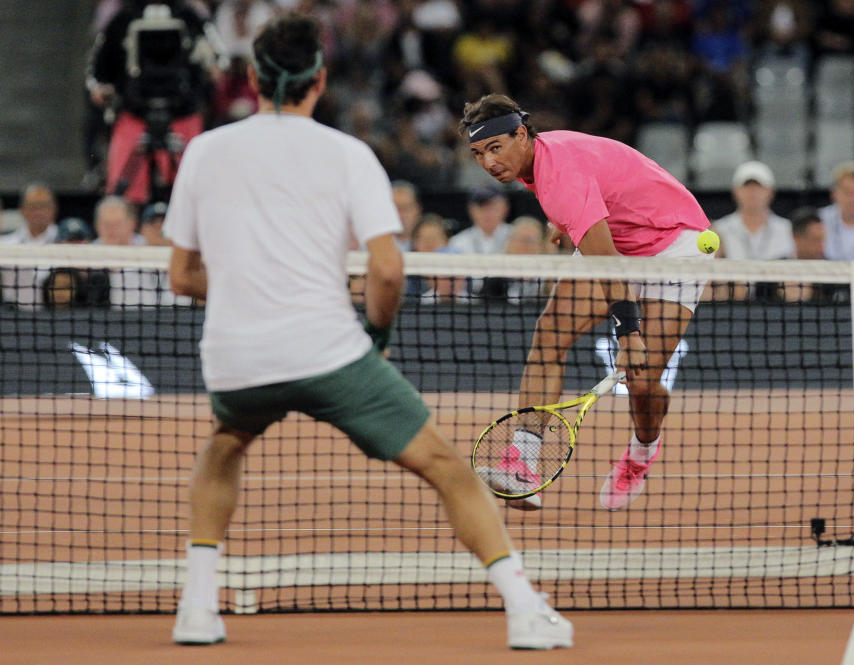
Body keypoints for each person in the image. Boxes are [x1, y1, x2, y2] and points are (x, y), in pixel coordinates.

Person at [163, 14, 571, 650]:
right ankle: (524, 610)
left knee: (224, 445)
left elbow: (183, 277)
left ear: (251, 76)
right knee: (449, 467)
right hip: (332, 353)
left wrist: (252, 288)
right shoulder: (349, 155)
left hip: (238, 356)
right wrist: (375, 341)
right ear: (319, 80)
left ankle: (195, 607)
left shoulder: (205, 151)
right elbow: (386, 271)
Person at [461, 93, 713, 512]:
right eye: (478, 153)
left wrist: (629, 333)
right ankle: (523, 463)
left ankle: (641, 453)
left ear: (521, 135)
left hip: (677, 243)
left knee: (644, 382)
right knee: (551, 332)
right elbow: (596, 191)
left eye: (495, 147)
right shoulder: (537, 161)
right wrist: (563, 219)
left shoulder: (559, 174)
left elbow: (606, 264)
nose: (488, 162)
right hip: (619, 237)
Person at [87, 0, 222, 204]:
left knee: (191, 193)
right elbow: (98, 68)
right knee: (123, 200)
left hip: (183, 115)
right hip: (134, 117)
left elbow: (218, 58)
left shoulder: (188, 15)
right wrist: (101, 88)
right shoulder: (124, 17)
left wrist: (211, 69)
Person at [711, 161, 793, 301]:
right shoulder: (719, 229)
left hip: (776, 300)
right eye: (747, 187)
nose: (752, 193)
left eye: (758, 187)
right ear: (736, 192)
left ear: (770, 192)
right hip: (733, 300)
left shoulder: (786, 228)